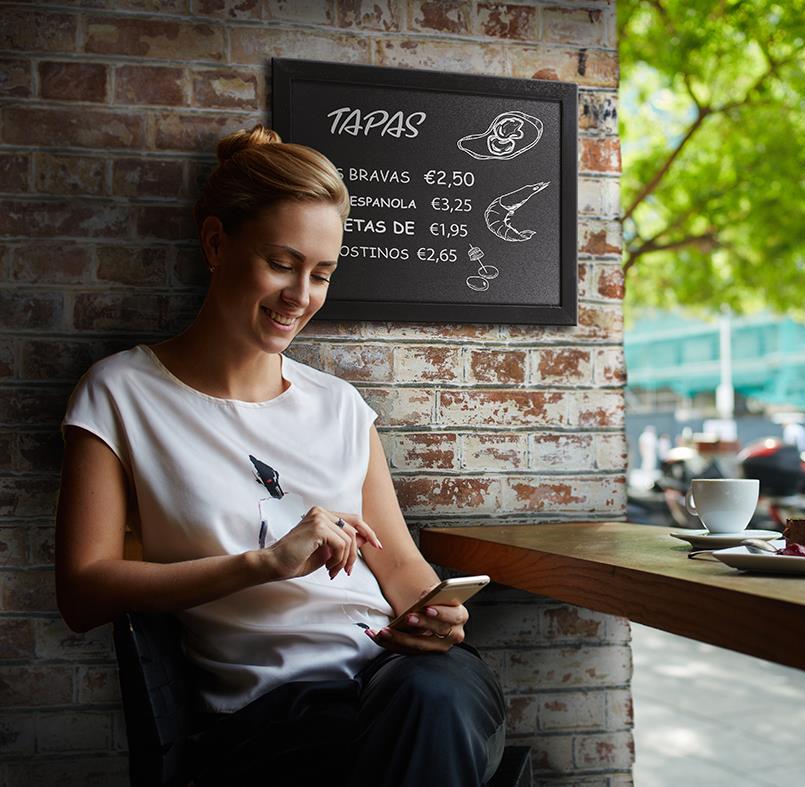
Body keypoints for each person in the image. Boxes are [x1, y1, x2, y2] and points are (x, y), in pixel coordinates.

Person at [54, 125, 506, 786]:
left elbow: (399, 561)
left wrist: (433, 615)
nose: (301, 294)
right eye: (282, 263)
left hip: (401, 677)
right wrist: (264, 563)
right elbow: (82, 589)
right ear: (216, 243)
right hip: (267, 713)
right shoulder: (121, 393)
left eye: (321, 273)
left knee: (431, 696)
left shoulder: (342, 406)